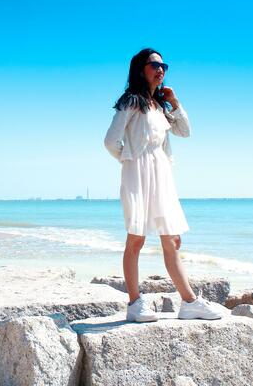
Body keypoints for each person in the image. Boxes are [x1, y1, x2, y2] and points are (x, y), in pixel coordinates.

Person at [104, 48, 222, 322]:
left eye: (163, 65)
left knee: (172, 239)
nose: (160, 69)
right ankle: (135, 304)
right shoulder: (131, 101)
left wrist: (175, 102)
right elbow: (111, 141)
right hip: (139, 172)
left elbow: (185, 132)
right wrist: (129, 159)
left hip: (162, 174)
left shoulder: (160, 106)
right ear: (140, 69)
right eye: (154, 64)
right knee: (136, 239)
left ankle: (190, 302)